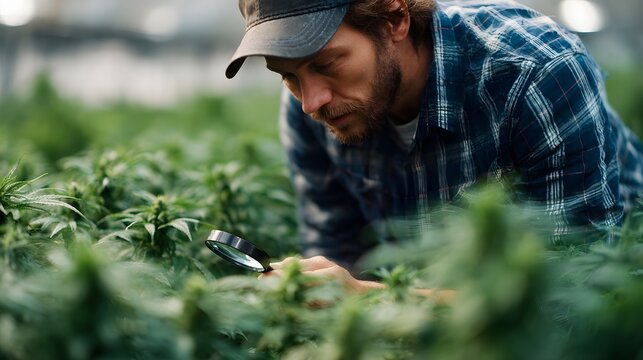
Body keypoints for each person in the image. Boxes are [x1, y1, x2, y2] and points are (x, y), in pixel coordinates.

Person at [226, 0, 643, 292]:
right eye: (287, 74)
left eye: (326, 63)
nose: (310, 100)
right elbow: (337, 250)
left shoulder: (534, 75)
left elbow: (570, 293)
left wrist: (368, 299)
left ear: (394, 19)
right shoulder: (312, 106)